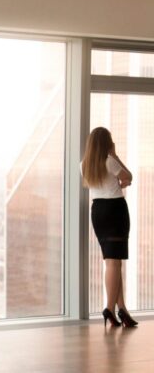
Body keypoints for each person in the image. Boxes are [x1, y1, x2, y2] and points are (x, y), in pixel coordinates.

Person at [81, 127, 138, 328]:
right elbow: (128, 176)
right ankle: (109, 308)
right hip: (115, 210)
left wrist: (117, 184)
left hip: (98, 211)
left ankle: (122, 309)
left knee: (111, 262)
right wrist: (116, 155)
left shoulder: (84, 165)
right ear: (107, 143)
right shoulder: (109, 160)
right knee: (115, 263)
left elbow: (97, 184)